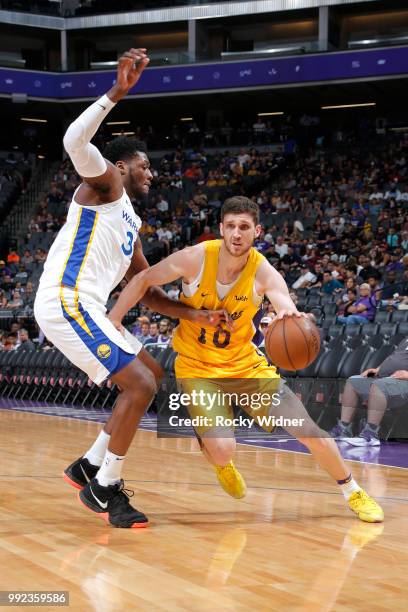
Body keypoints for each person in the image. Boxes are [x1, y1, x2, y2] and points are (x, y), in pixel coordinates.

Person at [34, 48, 227, 529]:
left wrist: (198, 315)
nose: (151, 173)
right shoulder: (105, 188)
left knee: (151, 373)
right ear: (119, 166)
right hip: (66, 300)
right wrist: (116, 93)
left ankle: (89, 465)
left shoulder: (129, 220)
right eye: (143, 165)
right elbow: (74, 139)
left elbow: (147, 290)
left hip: (86, 306)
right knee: (138, 385)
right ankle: (104, 487)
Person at [109, 196, 383, 523]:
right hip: (197, 368)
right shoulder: (195, 258)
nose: (237, 234)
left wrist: (289, 315)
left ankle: (352, 491)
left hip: (245, 366)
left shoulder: (262, 271)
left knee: (309, 430)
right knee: (224, 448)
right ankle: (218, 458)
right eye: (230, 227)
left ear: (256, 231)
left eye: (244, 227)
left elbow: (283, 301)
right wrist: (114, 320)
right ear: (221, 230)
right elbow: (142, 280)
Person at [331, 337, 408, 446]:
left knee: (379, 385)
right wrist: (377, 369)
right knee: (353, 382)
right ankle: (344, 429)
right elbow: (395, 356)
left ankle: (371, 434)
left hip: (403, 382)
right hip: (388, 378)